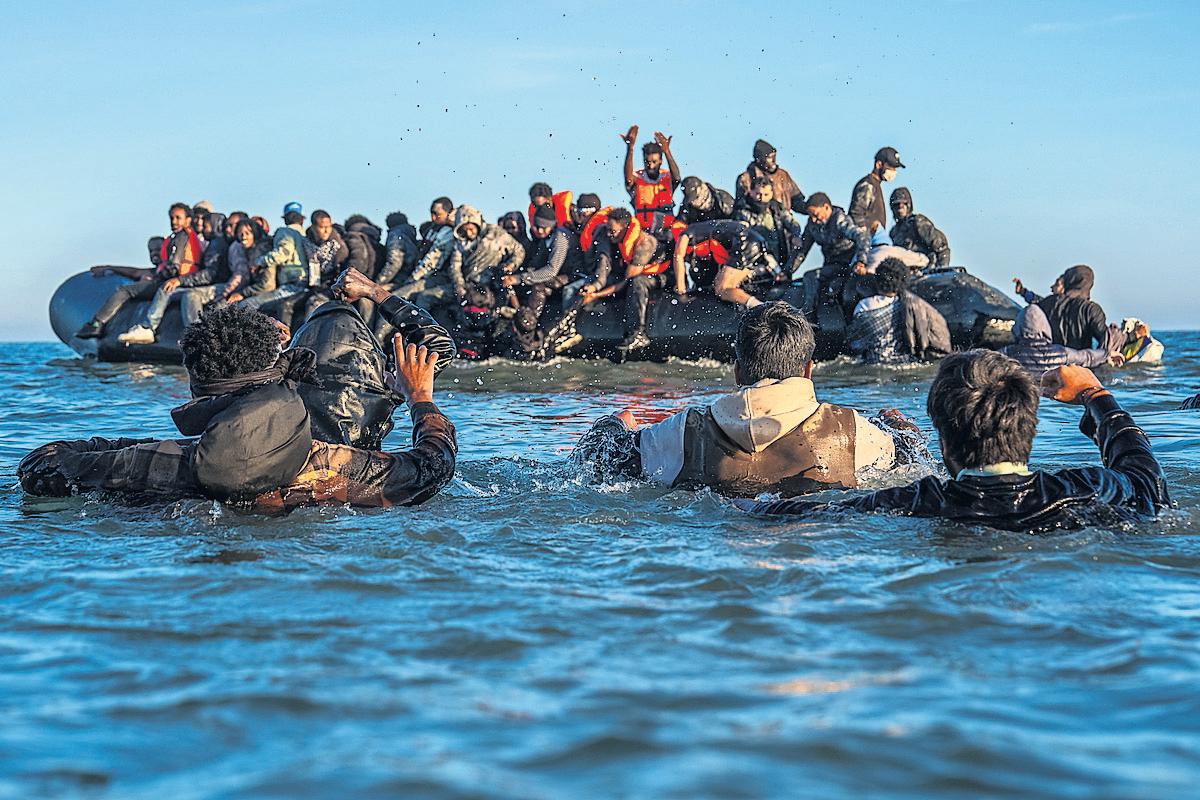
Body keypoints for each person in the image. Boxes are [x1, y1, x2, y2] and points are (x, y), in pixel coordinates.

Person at [19, 296, 457, 510]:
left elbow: (42, 467)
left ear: (198, 393)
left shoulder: (161, 464)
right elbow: (430, 469)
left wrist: (124, 445)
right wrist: (420, 400)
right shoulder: (328, 464)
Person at [741, 354, 1170, 531]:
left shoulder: (913, 503)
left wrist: (743, 499)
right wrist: (1095, 396)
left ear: (943, 438)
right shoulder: (1083, 490)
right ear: (1028, 428)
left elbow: (804, 511)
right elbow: (1144, 475)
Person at [572, 302, 901, 497]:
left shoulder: (685, 431)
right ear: (809, 369)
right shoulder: (852, 432)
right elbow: (911, 454)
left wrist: (615, 425)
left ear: (738, 372)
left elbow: (601, 458)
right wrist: (898, 424)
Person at [76, 203, 203, 339]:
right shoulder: (189, 238)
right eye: (172, 218)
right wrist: (110, 267)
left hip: (173, 282)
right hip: (183, 280)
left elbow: (174, 267)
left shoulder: (180, 238)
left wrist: (160, 277)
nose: (174, 222)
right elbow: (137, 272)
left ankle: (97, 324)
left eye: (178, 218)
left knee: (125, 290)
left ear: (188, 220)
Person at [118, 211, 232, 344]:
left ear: (215, 226)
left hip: (221, 285)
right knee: (167, 289)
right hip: (206, 283)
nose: (202, 229)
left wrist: (180, 280)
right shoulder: (211, 244)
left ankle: (197, 335)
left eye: (206, 226)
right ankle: (148, 328)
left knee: (190, 295)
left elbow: (209, 275)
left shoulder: (217, 244)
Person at [582, 208, 673, 356]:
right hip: (637, 276)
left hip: (663, 276)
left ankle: (638, 334)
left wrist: (596, 295)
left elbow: (627, 281)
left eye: (613, 231)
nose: (609, 234)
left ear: (625, 228)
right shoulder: (616, 239)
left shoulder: (645, 243)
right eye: (608, 230)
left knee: (637, 282)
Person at [847, 258, 952, 363]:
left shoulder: (864, 305)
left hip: (874, 363)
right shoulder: (910, 306)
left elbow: (855, 343)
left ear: (877, 280)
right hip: (905, 361)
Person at [500, 204, 583, 321]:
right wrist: (515, 274)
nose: (539, 231)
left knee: (539, 286)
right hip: (559, 274)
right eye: (537, 226)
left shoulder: (560, 238)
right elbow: (536, 263)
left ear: (552, 225)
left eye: (543, 227)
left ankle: (530, 321)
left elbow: (551, 271)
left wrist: (518, 278)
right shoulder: (545, 237)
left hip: (573, 275)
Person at [792, 192, 871, 314]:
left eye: (816, 214)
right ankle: (809, 313)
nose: (813, 219)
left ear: (826, 207)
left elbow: (862, 236)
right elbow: (802, 251)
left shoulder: (840, 220)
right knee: (809, 276)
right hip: (831, 266)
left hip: (849, 265)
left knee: (840, 290)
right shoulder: (812, 225)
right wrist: (787, 272)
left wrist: (861, 260)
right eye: (810, 215)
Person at [672, 219, 774, 309]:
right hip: (756, 239)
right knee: (720, 281)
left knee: (721, 289)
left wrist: (680, 286)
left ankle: (759, 306)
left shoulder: (685, 233)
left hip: (743, 243)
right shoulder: (706, 226)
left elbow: (678, 256)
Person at [999, 303, 1121, 376]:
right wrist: (1107, 353)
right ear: (1045, 326)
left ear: (1018, 328)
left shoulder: (1007, 353)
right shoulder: (1061, 353)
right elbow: (1086, 356)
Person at [238, 202, 313, 314]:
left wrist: (259, 262)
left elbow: (282, 253)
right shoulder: (306, 236)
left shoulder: (284, 232)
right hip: (305, 284)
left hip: (293, 285)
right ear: (302, 219)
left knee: (245, 305)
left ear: (285, 219)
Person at [447, 204, 526, 301]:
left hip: (494, 283)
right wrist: (460, 286)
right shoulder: (460, 243)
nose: (469, 233)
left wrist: (511, 265)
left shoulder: (496, 233)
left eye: (471, 229)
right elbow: (455, 267)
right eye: (465, 230)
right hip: (469, 285)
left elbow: (519, 251)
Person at [391, 197, 458, 311]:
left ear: (449, 213)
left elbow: (432, 262)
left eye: (437, 214)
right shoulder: (434, 229)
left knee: (397, 299)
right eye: (431, 213)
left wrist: (412, 279)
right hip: (424, 275)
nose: (432, 218)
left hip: (438, 277)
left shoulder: (449, 232)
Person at [1021, 265, 1109, 350]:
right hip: (1079, 362)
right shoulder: (1091, 309)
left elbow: (1033, 310)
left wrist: (1024, 292)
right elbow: (1104, 338)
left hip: (1049, 360)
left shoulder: (1049, 302)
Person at [733, 177, 804, 273]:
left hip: (779, 257)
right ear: (751, 192)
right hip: (753, 260)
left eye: (766, 194)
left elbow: (793, 224)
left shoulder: (777, 209)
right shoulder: (741, 211)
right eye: (758, 194)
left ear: (771, 194)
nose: (762, 198)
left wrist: (796, 235)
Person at [621, 125, 681, 233]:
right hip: (644, 235)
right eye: (647, 162)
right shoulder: (637, 179)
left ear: (661, 161)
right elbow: (628, 179)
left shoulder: (667, 178)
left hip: (667, 232)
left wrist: (666, 151)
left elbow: (677, 178)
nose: (651, 166)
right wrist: (630, 149)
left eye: (654, 162)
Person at [735, 139, 805, 212]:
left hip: (782, 219)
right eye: (769, 157)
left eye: (774, 157)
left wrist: (809, 208)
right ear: (759, 159)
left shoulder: (783, 176)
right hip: (756, 219)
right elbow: (741, 206)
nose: (773, 160)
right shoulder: (745, 179)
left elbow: (796, 200)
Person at [849, 147, 905, 238]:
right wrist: (864, 239)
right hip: (866, 243)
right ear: (879, 164)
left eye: (895, 168)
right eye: (891, 167)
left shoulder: (875, 185)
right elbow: (856, 215)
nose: (894, 171)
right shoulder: (867, 185)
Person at [888, 187, 950, 267]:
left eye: (903, 204)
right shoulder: (894, 232)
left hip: (926, 271)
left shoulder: (918, 222)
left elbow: (942, 247)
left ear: (909, 205)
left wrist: (941, 270)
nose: (900, 207)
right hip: (906, 273)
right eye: (896, 205)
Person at [379, 211, 419, 289]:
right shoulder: (410, 234)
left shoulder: (395, 234)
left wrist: (378, 282)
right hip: (410, 277)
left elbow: (394, 262)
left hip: (399, 279)